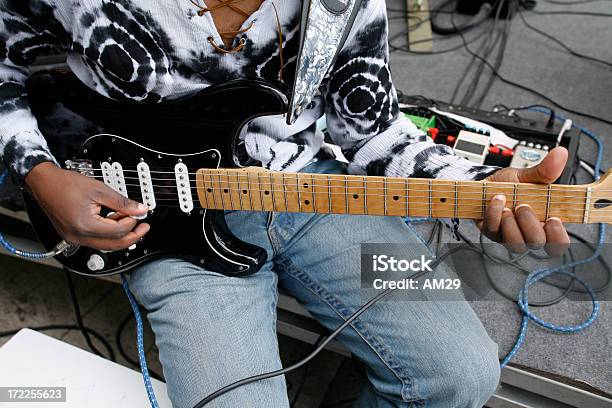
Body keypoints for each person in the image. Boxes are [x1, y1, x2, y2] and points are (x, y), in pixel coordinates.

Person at [1, 1, 570, 407]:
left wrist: (484, 184)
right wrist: (43, 176)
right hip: (159, 214)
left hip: (311, 187)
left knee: (463, 377)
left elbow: (373, 132)